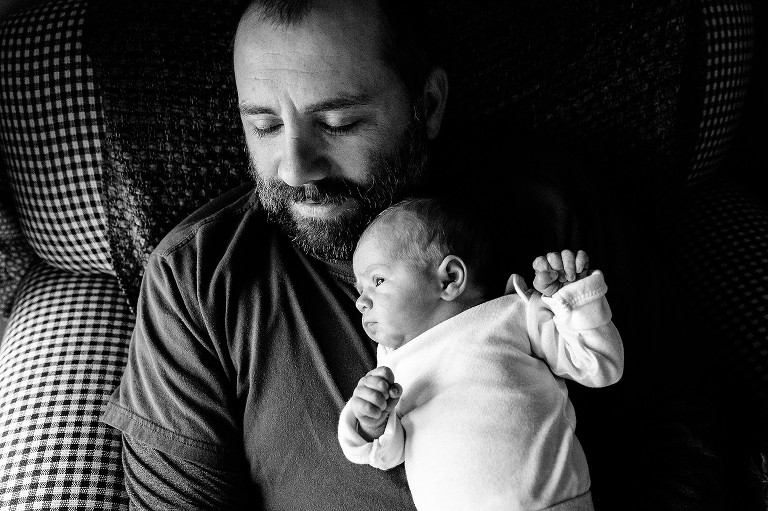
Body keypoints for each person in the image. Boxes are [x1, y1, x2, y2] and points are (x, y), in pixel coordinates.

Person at [100, 0, 725, 509]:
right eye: (263, 126)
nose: (295, 168)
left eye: (339, 122)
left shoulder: (546, 210)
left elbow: (681, 429)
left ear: (427, 105)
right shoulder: (199, 273)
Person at [337, 198, 623, 511]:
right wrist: (369, 420)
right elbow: (389, 454)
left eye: (377, 281)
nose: (361, 302)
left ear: (449, 279)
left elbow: (600, 366)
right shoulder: (392, 366)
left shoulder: (512, 313)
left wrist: (571, 299)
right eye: (360, 289)